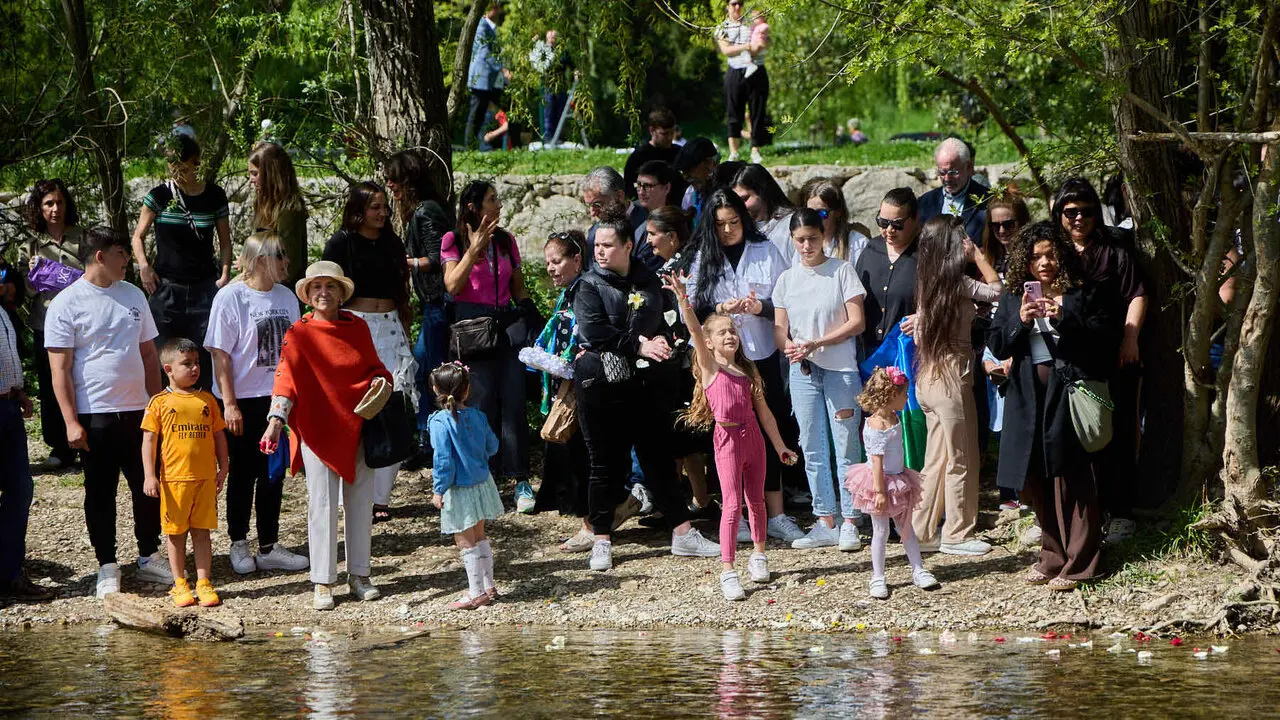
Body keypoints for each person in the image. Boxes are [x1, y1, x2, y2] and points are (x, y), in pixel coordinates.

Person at [573, 219, 721, 571]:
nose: (600, 252)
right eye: (597, 246)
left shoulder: (649, 281)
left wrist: (665, 343)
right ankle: (601, 538)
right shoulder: (588, 285)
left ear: (628, 246)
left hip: (645, 385)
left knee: (657, 457)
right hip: (601, 383)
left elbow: (665, 322)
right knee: (604, 463)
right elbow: (594, 330)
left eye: (608, 245)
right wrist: (639, 343)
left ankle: (682, 531)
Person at [987, 222, 1121, 590]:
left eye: (1049, 255)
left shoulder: (1084, 292)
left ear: (1061, 254)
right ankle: (1052, 557)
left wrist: (1061, 317)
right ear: (1024, 263)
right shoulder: (1015, 297)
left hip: (1068, 392)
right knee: (1036, 476)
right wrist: (1020, 321)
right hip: (1027, 395)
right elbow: (997, 344)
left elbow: (1104, 339)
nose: (1043, 263)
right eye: (1034, 257)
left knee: (1074, 477)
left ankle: (1083, 563)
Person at [44, 227, 169, 597]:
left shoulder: (133, 296)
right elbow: (59, 370)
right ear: (100, 256)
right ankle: (107, 565)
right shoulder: (67, 303)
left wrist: (157, 402)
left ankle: (149, 554)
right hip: (94, 414)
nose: (128, 260)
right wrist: (70, 421)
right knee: (100, 492)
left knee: (148, 485)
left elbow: (149, 353)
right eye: (121, 253)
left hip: (139, 411)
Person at [261, 261, 391, 611]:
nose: (323, 292)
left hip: (359, 424)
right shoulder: (298, 333)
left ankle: (360, 575)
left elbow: (376, 369)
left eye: (330, 286)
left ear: (341, 292)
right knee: (321, 506)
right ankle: (322, 581)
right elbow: (284, 379)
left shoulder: (358, 328)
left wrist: (381, 382)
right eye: (317, 286)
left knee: (361, 503)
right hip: (317, 430)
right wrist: (276, 419)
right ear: (307, 293)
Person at [666, 273, 796, 601]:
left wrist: (779, 445)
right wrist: (684, 300)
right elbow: (694, 329)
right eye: (722, 331)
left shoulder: (747, 370)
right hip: (727, 440)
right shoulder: (710, 367)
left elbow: (764, 412)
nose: (730, 335)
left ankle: (760, 554)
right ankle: (728, 570)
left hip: (754, 439)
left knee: (757, 500)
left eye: (733, 331)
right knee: (732, 506)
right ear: (709, 342)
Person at [686, 189, 806, 544]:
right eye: (720, 225)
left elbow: (788, 300)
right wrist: (720, 309)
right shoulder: (703, 257)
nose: (727, 231)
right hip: (723, 360)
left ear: (745, 219)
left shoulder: (765, 250)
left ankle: (776, 514)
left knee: (770, 430)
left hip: (763, 351)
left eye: (734, 222)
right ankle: (733, 513)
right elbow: (690, 310)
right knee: (726, 437)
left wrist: (761, 308)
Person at [204, 232, 307, 575]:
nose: (286, 264)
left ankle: (269, 545)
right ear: (262, 259)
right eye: (281, 256)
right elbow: (220, 355)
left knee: (272, 473)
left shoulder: (287, 296)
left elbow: (294, 350)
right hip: (242, 399)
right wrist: (229, 404)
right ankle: (238, 542)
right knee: (243, 472)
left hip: (276, 398)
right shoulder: (231, 297)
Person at [1052, 178, 1146, 542]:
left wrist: (1130, 336)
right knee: (1069, 436)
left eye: (1086, 211)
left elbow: (1136, 294)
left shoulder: (1115, 248)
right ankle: (1076, 515)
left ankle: (1121, 512)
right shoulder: (1052, 250)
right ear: (1059, 213)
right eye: (1070, 212)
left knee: (1117, 434)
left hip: (1111, 356)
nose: (1078, 219)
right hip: (1066, 360)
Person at [772, 209, 867, 551]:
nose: (807, 245)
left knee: (846, 445)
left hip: (840, 369)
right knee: (811, 445)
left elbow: (856, 321)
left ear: (823, 236)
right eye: (800, 240)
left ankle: (852, 518)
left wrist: (819, 342)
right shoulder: (786, 279)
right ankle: (826, 517)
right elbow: (780, 331)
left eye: (813, 238)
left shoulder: (842, 271)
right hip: (804, 371)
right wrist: (793, 348)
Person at [908, 216, 1003, 556]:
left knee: (937, 457)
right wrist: (979, 257)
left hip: (927, 378)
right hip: (952, 374)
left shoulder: (927, 284)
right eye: (961, 240)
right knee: (962, 456)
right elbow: (997, 290)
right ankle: (958, 533)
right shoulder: (958, 283)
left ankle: (921, 531)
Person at [323, 181, 416, 523]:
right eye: (375, 207)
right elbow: (326, 289)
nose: (382, 213)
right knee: (354, 409)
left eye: (384, 207)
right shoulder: (341, 243)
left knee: (393, 405)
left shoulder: (392, 243)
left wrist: (405, 327)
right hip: (354, 326)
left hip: (390, 326)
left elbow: (403, 292)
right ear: (359, 209)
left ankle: (381, 498)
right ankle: (348, 490)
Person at [441, 181, 533, 511]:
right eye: (492, 200)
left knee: (513, 399)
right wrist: (473, 248)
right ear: (472, 207)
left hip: (506, 326)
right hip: (472, 328)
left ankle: (520, 478)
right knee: (478, 404)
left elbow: (518, 287)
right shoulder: (453, 239)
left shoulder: (507, 240)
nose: (499, 205)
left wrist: (531, 315)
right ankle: (483, 478)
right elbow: (452, 285)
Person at [132, 134, 232, 390]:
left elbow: (225, 240)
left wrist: (224, 274)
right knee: (163, 353)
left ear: (196, 163)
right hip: (166, 286)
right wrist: (144, 266)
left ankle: (206, 416)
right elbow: (138, 236)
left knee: (205, 354)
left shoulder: (214, 196)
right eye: (174, 167)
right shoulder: (159, 195)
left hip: (204, 286)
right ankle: (162, 416)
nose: (180, 173)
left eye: (185, 167)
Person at [140, 338, 228, 608]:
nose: (193, 369)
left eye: (196, 363)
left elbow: (219, 436)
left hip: (204, 479)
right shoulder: (159, 402)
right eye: (186, 364)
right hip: (174, 481)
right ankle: (179, 584)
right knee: (176, 535)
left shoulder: (207, 400)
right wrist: (149, 475)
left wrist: (223, 466)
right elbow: (149, 441)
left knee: (202, 532)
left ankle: (203, 582)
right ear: (168, 368)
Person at [843, 367, 939, 599]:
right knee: (881, 530)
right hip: (880, 484)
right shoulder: (876, 426)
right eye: (904, 394)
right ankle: (878, 576)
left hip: (899, 479)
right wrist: (879, 491)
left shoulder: (894, 417)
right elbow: (876, 462)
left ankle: (918, 569)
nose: (908, 398)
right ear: (890, 395)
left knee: (906, 528)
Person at [386, 149, 453, 469]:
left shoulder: (426, 212)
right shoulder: (424, 210)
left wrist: (403, 262)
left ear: (408, 181)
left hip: (439, 303)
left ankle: (430, 438)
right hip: (432, 304)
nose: (389, 185)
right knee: (424, 368)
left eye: (394, 180)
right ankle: (428, 436)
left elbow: (437, 258)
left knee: (429, 369)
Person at [529, 231, 592, 544]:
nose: (551, 268)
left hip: (582, 383)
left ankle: (592, 527)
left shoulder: (584, 291)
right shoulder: (566, 293)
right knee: (573, 452)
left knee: (583, 454)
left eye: (557, 261)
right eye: (547, 263)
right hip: (564, 383)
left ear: (577, 259)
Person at [428, 362, 504, 609]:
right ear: (467, 390)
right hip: (482, 484)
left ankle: (476, 593)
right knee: (480, 535)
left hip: (458, 489)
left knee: (464, 540)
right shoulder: (479, 416)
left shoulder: (440, 422)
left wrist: (438, 489)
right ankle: (488, 585)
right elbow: (493, 447)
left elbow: (443, 460)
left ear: (435, 389)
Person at [21, 178, 83, 469]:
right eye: (48, 203)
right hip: (46, 325)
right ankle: (60, 447)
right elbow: (24, 293)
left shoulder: (83, 238)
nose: (55, 209)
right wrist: (34, 276)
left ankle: (87, 440)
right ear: (39, 208)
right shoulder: (30, 246)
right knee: (50, 385)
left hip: (83, 324)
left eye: (59, 202)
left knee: (82, 380)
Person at [979, 193, 1030, 510]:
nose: (1001, 231)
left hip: (1022, 340)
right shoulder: (990, 257)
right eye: (994, 225)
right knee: (996, 419)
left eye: (1008, 223)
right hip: (992, 341)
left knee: (1019, 417)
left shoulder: (1031, 257)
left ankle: (1021, 489)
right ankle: (1007, 489)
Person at [0, 299, 50, 600]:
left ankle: (9, 573)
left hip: (8, 407)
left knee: (20, 489)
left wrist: (18, 390)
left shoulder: (4, 310)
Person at [856, 188, 921, 357]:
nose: (889, 230)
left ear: (915, 218)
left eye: (897, 224)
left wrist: (924, 316)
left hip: (908, 351)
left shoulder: (927, 253)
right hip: (868, 351)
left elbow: (945, 299)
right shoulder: (871, 248)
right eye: (883, 223)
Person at [247, 141, 308, 288]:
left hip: (281, 290)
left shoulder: (289, 211)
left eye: (255, 173)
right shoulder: (263, 204)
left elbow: (290, 265)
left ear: (271, 173)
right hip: (262, 284)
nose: (251, 179)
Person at [715, 0, 770, 164]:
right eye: (733, 4)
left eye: (740, 3)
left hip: (757, 69)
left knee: (757, 112)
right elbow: (726, 50)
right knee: (733, 112)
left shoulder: (753, 22)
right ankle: (734, 152)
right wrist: (747, 46)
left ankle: (755, 150)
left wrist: (757, 46)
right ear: (727, 6)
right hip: (735, 71)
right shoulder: (722, 28)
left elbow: (765, 40)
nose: (737, 7)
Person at [581, 166, 661, 271]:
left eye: (597, 204)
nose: (592, 213)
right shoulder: (594, 232)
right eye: (589, 205)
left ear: (619, 196)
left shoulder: (649, 226)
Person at [917, 138, 989, 244]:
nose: (947, 179)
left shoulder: (987, 201)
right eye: (942, 172)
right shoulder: (925, 202)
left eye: (953, 172)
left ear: (968, 167)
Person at [465, 2, 512, 150]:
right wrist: (503, 70)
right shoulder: (482, 26)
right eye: (495, 7)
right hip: (480, 78)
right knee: (475, 114)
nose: (498, 11)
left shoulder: (490, 27)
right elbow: (486, 53)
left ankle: (477, 146)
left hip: (487, 80)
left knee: (481, 115)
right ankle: (469, 147)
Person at [732, 164, 795, 262]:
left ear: (762, 191)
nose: (739, 206)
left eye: (744, 199)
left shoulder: (792, 224)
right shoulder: (742, 229)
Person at [799, 178, 870, 265]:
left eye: (821, 213)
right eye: (809, 212)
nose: (813, 218)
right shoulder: (800, 243)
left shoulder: (857, 244)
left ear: (838, 212)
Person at [623, 108, 681, 198]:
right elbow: (630, 189)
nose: (670, 137)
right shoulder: (638, 157)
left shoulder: (679, 153)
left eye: (672, 133)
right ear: (652, 130)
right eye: (664, 134)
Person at [530, 29, 574, 144]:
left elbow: (571, 64)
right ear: (546, 38)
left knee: (560, 112)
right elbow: (537, 64)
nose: (552, 39)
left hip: (560, 86)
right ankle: (548, 138)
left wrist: (576, 73)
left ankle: (558, 137)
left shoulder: (562, 51)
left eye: (554, 37)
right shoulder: (542, 51)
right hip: (547, 85)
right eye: (550, 37)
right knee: (548, 112)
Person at [672, 137, 720, 225]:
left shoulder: (731, 191)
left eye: (689, 169)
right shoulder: (690, 194)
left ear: (710, 163)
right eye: (683, 172)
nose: (685, 177)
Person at [631, 160, 677, 243]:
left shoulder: (676, 221)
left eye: (647, 186)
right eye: (638, 185)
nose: (641, 192)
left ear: (666, 188)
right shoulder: (630, 216)